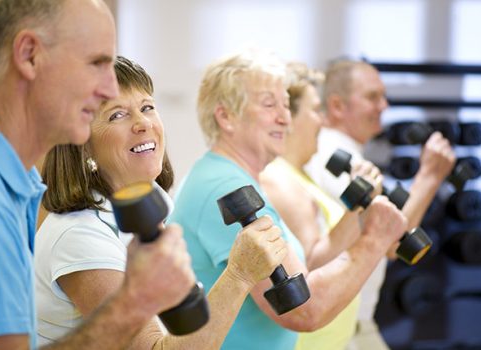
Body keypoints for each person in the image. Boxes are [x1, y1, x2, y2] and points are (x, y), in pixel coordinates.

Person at [0, 1, 192, 349]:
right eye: (95, 63)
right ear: (29, 56)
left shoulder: (4, 175)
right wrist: (133, 303)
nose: (106, 88)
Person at [35, 56, 287, 349]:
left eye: (147, 107)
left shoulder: (151, 205)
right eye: (117, 115)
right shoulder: (79, 235)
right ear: (83, 144)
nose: (143, 123)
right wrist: (239, 275)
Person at [167, 49, 409, 350]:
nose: (285, 118)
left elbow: (307, 272)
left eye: (285, 104)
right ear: (226, 116)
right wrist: (373, 241)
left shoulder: (235, 179)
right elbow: (303, 309)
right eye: (270, 104)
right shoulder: (224, 187)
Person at [304, 59, 456, 349]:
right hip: (340, 323)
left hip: (357, 319)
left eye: (383, 96)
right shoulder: (332, 156)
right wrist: (428, 177)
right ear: (337, 106)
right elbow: (391, 241)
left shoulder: (350, 156)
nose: (383, 106)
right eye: (372, 97)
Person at [260, 62, 384, 350]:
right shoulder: (280, 179)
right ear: (288, 118)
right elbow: (312, 269)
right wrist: (361, 203)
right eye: (316, 110)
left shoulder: (303, 176)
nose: (323, 121)